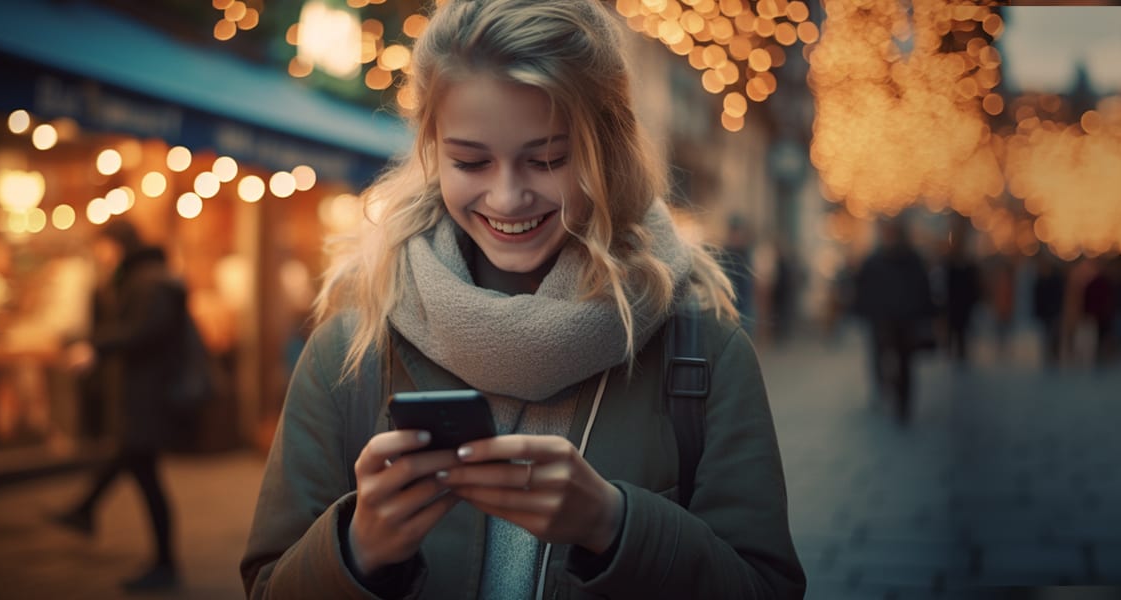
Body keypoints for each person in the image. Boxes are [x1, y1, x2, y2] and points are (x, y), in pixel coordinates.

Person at [239, 1, 805, 598]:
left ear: (607, 147)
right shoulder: (350, 350)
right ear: (430, 148)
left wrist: (614, 525)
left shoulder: (704, 353)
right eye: (470, 161)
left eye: (547, 160)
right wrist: (356, 551)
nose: (507, 197)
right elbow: (269, 584)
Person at [51, 219, 190, 591]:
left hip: (148, 397)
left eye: (104, 247)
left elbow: (146, 331)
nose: (101, 256)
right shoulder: (145, 277)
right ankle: (88, 512)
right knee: (139, 468)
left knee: (143, 471)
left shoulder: (148, 280)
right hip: (144, 396)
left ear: (118, 245)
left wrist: (97, 347)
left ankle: (164, 563)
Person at [853, 217, 935, 424]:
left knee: (905, 362)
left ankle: (902, 401)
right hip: (881, 321)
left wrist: (925, 315)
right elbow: (863, 290)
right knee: (880, 357)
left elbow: (923, 289)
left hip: (905, 321)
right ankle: (883, 389)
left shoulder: (912, 260)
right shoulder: (874, 261)